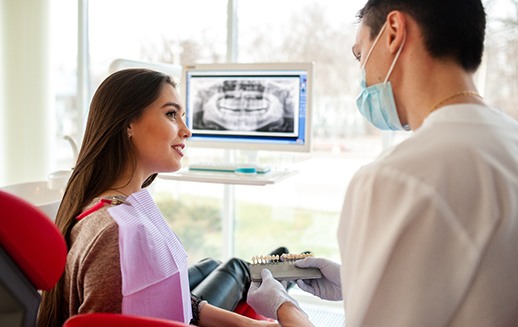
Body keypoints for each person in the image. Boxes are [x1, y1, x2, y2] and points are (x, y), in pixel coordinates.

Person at [247, 0, 518, 326]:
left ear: (393, 32)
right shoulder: (509, 141)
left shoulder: (395, 178)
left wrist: (284, 308)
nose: (362, 75)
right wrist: (355, 283)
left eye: (360, 55)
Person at [37, 68, 279, 327]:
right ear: (128, 123)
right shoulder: (118, 233)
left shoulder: (106, 207)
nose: (187, 131)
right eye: (171, 114)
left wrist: (250, 325)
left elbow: (168, 304)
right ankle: (264, 267)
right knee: (237, 267)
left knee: (213, 265)